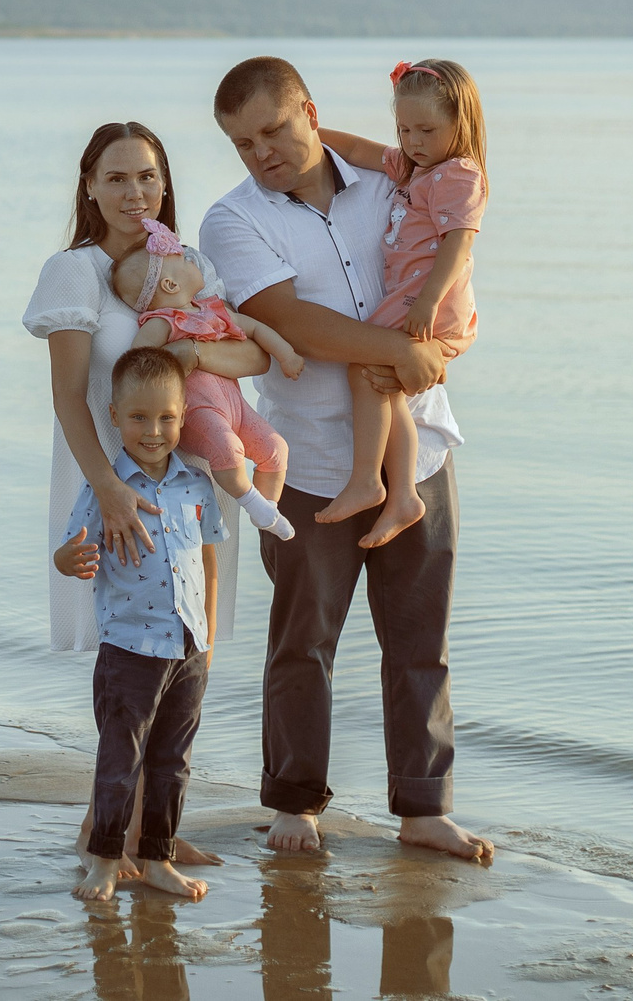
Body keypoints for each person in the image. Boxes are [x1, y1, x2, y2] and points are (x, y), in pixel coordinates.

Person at [198, 56, 494, 864]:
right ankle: (296, 802)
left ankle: (425, 809)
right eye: (241, 141)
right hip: (308, 465)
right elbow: (292, 322)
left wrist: (437, 337)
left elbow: (450, 244)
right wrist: (407, 351)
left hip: (421, 444)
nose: (260, 151)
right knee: (304, 641)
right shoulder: (232, 221)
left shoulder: (394, 174)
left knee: (420, 641)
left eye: (274, 128)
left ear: (310, 111)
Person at [25, 122, 269, 873]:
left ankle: (149, 832)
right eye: (119, 177)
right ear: (90, 185)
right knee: (126, 663)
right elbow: (69, 398)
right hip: (111, 479)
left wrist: (189, 350)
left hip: (190, 478)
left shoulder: (183, 264)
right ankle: (107, 833)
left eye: (150, 177)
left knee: (183, 654)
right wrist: (108, 491)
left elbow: (253, 349)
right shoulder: (77, 272)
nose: (137, 193)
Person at [54, 346, 226, 902]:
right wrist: (70, 562)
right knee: (119, 762)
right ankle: (104, 858)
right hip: (130, 648)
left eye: (167, 418)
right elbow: (68, 551)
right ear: (114, 417)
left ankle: (158, 859)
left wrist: (210, 636)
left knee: (173, 763)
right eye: (138, 417)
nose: (153, 431)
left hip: (189, 648)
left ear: (183, 417)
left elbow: (208, 562)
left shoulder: (197, 486)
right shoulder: (106, 491)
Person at [311, 59, 490, 549]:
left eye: (427, 129)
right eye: (405, 128)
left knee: (363, 364)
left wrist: (428, 302)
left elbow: (458, 245)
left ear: (461, 123)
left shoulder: (458, 175)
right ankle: (403, 495)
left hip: (428, 296)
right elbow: (352, 149)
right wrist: (305, 131)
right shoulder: (413, 166)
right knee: (381, 384)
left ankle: (371, 481)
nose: (414, 140)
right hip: (413, 295)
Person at [113, 217, 301, 540]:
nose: (193, 260)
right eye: (184, 260)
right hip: (200, 410)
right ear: (170, 285)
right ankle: (253, 502)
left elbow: (253, 329)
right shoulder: (162, 321)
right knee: (228, 449)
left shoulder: (212, 309)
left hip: (235, 405)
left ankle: (267, 509)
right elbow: (137, 361)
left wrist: (286, 353)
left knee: (276, 447)